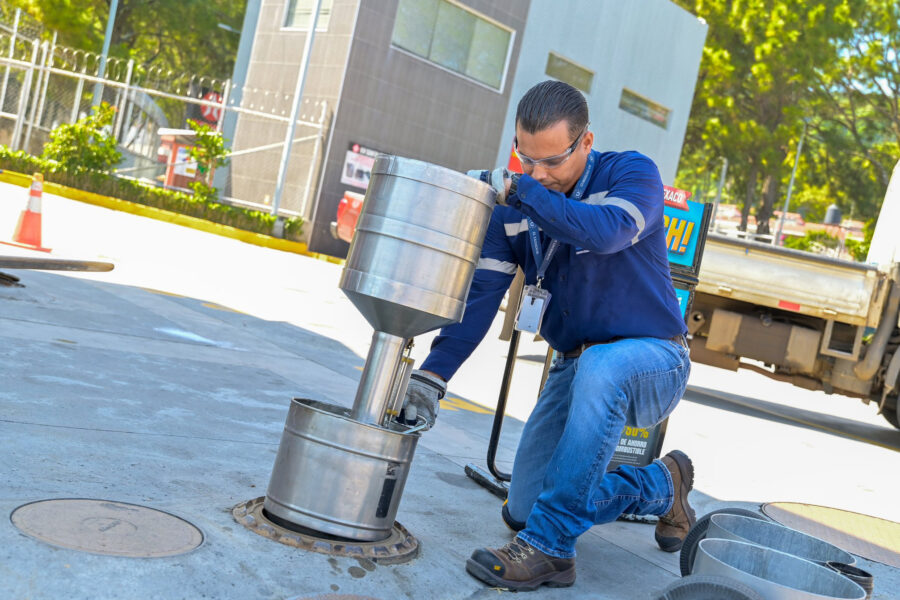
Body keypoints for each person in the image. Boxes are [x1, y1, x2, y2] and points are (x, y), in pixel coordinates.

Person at [402, 80, 694, 592]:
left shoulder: (630, 174)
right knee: (521, 509)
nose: (538, 174)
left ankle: (551, 550)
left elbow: (604, 233)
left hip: (653, 357)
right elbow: (481, 301)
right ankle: (660, 484)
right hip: (576, 362)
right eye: (525, 158)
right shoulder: (513, 210)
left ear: (585, 141)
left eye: (553, 161)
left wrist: (524, 191)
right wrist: (432, 375)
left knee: (604, 371)